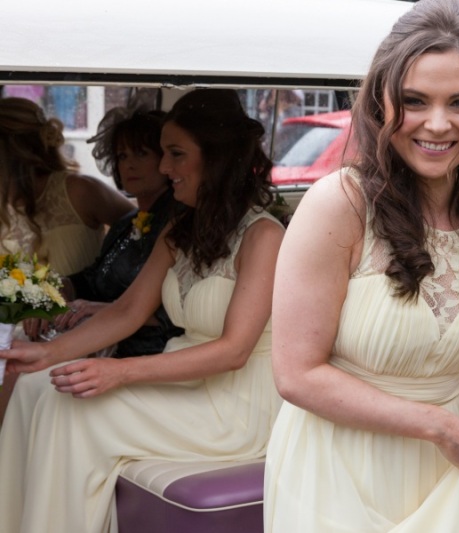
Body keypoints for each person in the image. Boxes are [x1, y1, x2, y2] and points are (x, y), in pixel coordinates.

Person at [263, 0, 459, 531]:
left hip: (445, 469)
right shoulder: (340, 204)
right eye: (414, 100)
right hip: (339, 469)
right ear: (381, 102)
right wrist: (436, 425)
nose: (438, 123)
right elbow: (297, 374)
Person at [0, 88, 284, 533]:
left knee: (71, 408)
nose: (164, 167)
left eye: (175, 154)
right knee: (35, 384)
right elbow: (128, 311)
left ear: (218, 158)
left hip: (236, 406)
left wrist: (120, 373)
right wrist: (48, 354)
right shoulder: (179, 228)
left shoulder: (263, 237)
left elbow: (233, 351)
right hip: (182, 380)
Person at [0, 96, 135, 422]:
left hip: (80, 325)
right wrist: (30, 298)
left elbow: (139, 235)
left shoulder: (77, 190)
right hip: (16, 327)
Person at [57, 107, 184, 357]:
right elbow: (94, 278)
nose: (129, 165)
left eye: (141, 153)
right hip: (103, 342)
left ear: (165, 160)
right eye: (122, 156)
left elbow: (178, 310)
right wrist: (59, 288)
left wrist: (105, 310)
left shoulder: (178, 223)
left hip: (150, 351)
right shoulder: (125, 223)